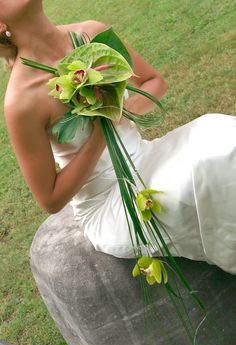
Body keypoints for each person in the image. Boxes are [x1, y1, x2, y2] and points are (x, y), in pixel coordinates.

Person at [1, 1, 236, 275]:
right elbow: (50, 199)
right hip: (109, 200)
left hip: (147, 156)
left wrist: (121, 111)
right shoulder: (21, 101)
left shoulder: (91, 34)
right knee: (206, 168)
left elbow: (153, 82)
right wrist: (103, 130)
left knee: (217, 131)